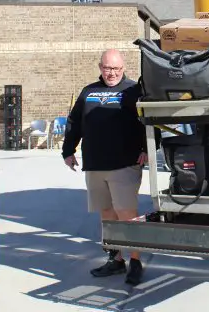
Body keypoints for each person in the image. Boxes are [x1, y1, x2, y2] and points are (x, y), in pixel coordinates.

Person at [61, 49, 148, 286]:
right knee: (107, 215)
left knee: (127, 215)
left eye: (116, 69)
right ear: (100, 67)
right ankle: (116, 259)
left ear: (123, 68)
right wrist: (68, 150)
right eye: (107, 68)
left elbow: (149, 122)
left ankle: (136, 261)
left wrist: (148, 149)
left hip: (125, 163)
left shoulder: (133, 91)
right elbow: (74, 122)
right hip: (95, 164)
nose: (112, 73)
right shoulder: (88, 92)